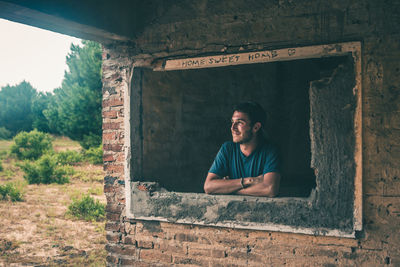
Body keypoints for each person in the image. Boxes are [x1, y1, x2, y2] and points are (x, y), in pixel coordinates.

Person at [204, 101, 280, 197]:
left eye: (239, 123)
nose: (233, 128)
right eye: (232, 122)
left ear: (256, 127)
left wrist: (227, 189)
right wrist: (249, 181)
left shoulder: (270, 151)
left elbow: (270, 189)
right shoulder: (227, 149)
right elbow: (208, 186)